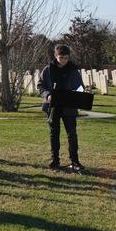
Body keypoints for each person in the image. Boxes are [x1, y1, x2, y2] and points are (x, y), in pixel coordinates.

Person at [37, 44, 84, 172]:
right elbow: (40, 86)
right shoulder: (48, 70)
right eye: (61, 57)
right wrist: (47, 95)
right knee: (54, 134)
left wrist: (79, 93)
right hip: (53, 106)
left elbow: (80, 86)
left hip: (69, 106)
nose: (64, 60)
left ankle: (74, 161)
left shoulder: (73, 70)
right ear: (56, 56)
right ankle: (55, 161)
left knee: (72, 134)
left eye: (66, 58)